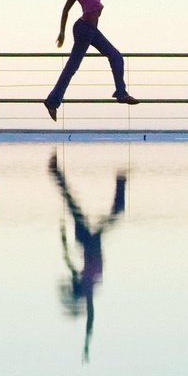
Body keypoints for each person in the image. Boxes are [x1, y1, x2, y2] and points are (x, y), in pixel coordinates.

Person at [49, 153, 127, 362]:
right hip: (91, 243)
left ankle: (56, 173)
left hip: (89, 242)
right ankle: (56, 173)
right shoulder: (88, 289)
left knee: (74, 205)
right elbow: (91, 318)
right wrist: (86, 344)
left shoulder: (85, 285)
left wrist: (63, 236)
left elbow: (67, 258)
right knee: (75, 205)